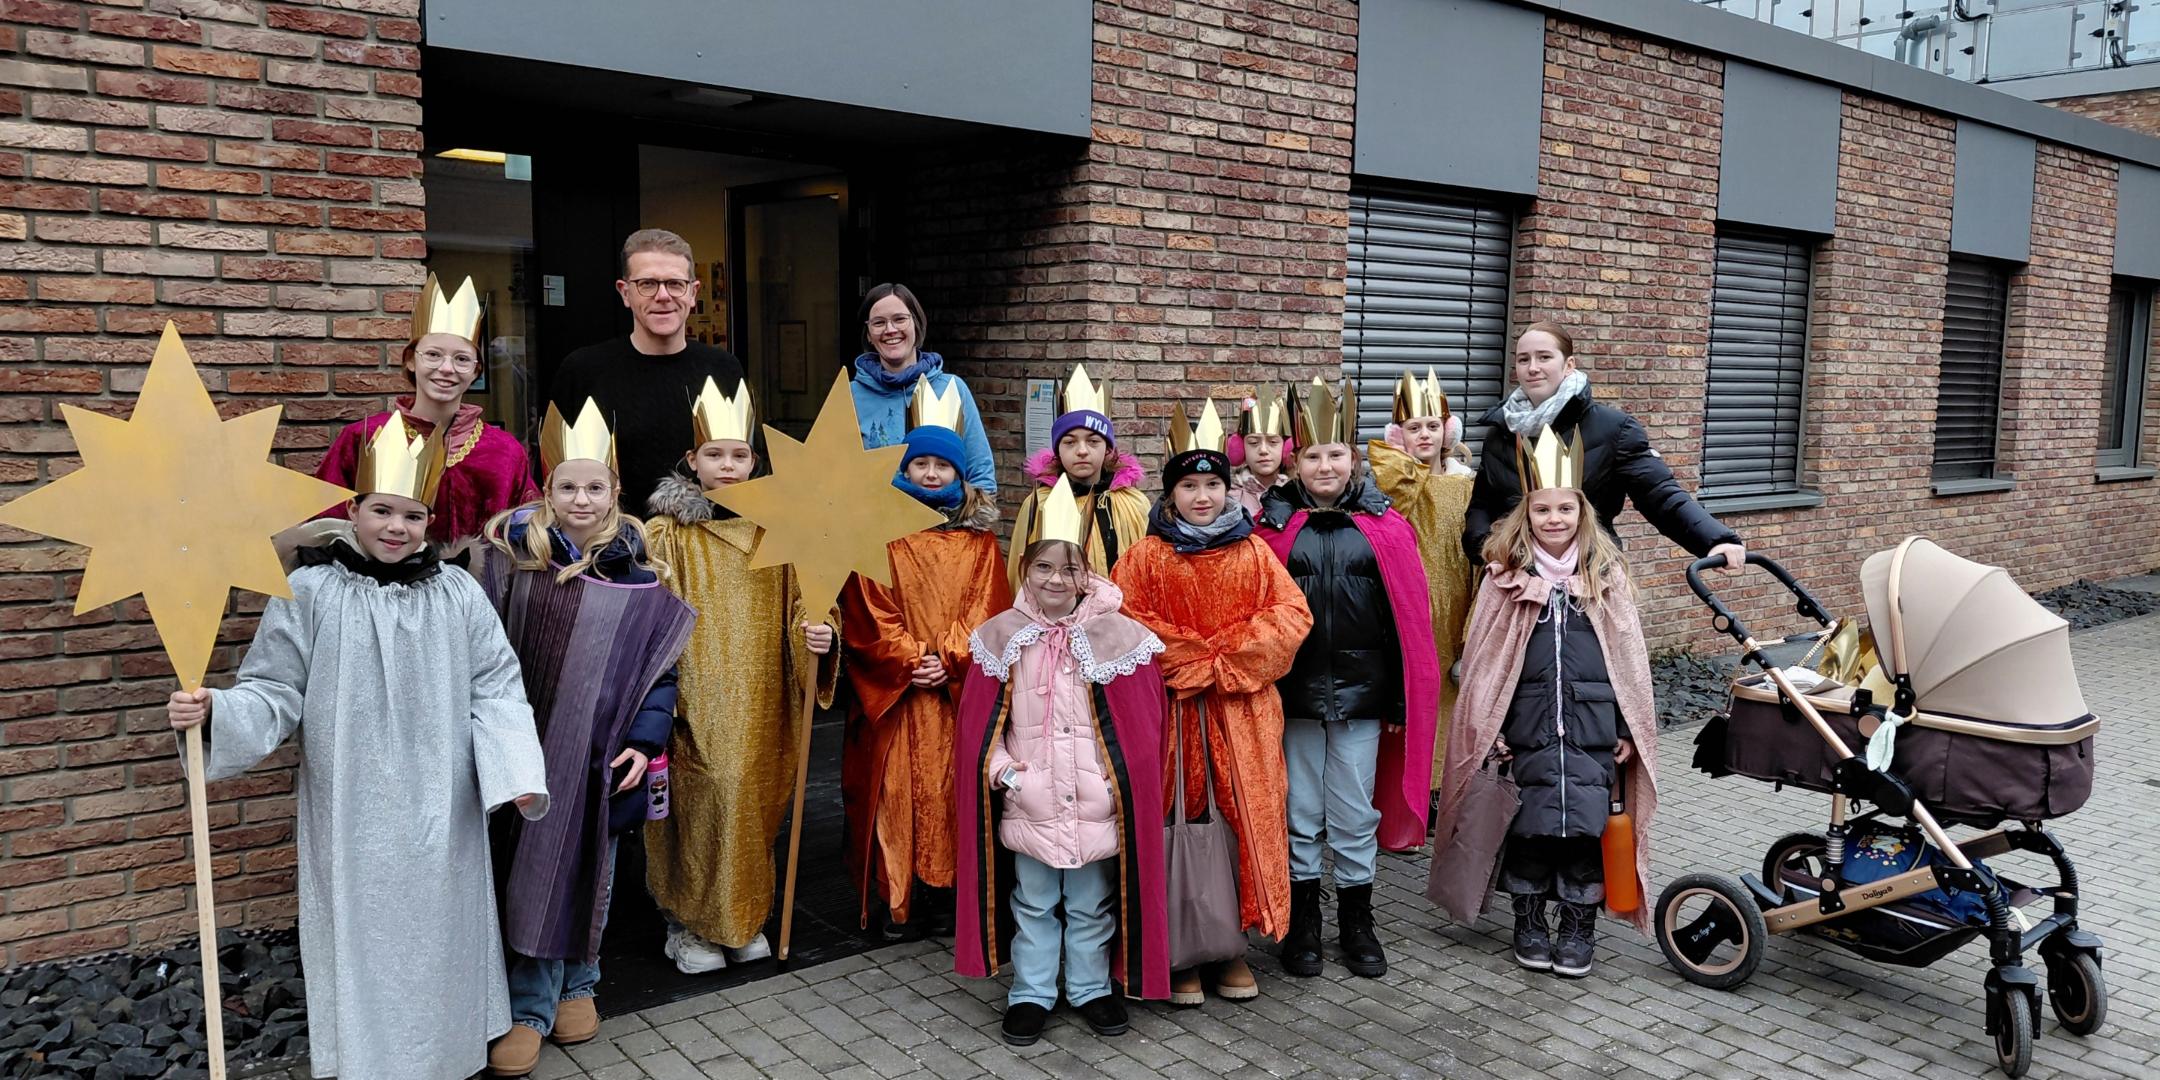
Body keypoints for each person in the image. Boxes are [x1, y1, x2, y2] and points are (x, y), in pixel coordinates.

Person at [167, 417, 549, 1080]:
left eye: (411, 514)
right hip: (351, 803)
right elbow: (275, 687)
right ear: (353, 509)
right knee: (365, 935)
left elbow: (496, 684)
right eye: (381, 511)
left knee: (440, 933)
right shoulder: (311, 592)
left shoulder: (459, 593)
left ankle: (447, 1057)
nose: (396, 527)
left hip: (442, 801)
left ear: (429, 519)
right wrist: (214, 714)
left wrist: (514, 768)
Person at [480, 400, 694, 1077]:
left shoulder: (638, 570)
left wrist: (644, 737)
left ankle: (577, 982)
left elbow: (659, 668)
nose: (580, 499)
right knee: (530, 867)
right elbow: (485, 647)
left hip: (601, 750)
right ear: (548, 489)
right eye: (567, 486)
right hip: (530, 740)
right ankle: (530, 1004)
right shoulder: (514, 558)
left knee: (590, 869)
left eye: (594, 486)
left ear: (615, 491)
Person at [1430, 427, 1660, 979]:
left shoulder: (1607, 580)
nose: (1554, 520)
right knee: (1528, 828)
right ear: (1525, 515)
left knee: (1585, 830)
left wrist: (1628, 727)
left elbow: (1629, 666)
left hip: (1592, 731)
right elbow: (1487, 661)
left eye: (1564, 509)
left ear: (1582, 513)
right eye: (1542, 511)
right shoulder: (1503, 581)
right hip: (1524, 730)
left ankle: (1578, 925)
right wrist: (1491, 727)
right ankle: (1529, 919)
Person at [955, 482, 1171, 1046]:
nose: (1055, 580)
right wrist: (1007, 775)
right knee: (1033, 903)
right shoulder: (1001, 638)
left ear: (1087, 573)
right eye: (1042, 566)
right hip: (1030, 802)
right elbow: (980, 731)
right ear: (1024, 568)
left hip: (1096, 803)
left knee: (1092, 904)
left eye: (1069, 569)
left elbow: (1144, 728)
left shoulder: (1120, 636)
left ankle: (1091, 987)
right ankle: (1031, 993)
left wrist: (1111, 781)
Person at [1112, 398, 1312, 1006]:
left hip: (1241, 712)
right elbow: (1124, 621)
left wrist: (1224, 664)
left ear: (1230, 490)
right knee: (1176, 824)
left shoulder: (1253, 552)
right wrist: (1194, 661)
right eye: (1189, 486)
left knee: (1237, 823)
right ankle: (1179, 952)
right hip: (1170, 713)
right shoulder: (1146, 557)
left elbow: (1289, 616)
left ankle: (1230, 948)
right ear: (1169, 493)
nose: (1202, 497)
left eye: (1212, 485)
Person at [643, 378, 839, 974]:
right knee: (704, 797)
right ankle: (692, 924)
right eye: (715, 455)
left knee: (752, 801)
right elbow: (649, 612)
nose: (727, 466)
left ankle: (745, 916)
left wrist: (821, 632)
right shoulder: (667, 534)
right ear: (691, 460)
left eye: (739, 455)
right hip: (694, 692)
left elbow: (809, 598)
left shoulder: (780, 529)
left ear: (756, 461)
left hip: (763, 690)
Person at [1255, 378, 1439, 980]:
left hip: (1362, 695)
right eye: (1313, 455)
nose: (1326, 465)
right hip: (1295, 694)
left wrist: (1403, 696)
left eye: (1337, 454)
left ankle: (1358, 921)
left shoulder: (1386, 528)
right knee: (1301, 809)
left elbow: (1408, 619)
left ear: (1353, 459)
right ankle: (1304, 919)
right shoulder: (1271, 529)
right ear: (1296, 461)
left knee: (1355, 811)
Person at [839, 403, 1012, 940]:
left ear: (961, 475)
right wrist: (913, 660)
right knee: (896, 795)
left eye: (944, 466)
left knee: (953, 791)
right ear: (904, 470)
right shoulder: (879, 537)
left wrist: (951, 659)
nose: (932, 474)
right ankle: (900, 897)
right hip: (900, 695)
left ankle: (948, 895)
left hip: (954, 693)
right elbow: (869, 606)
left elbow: (988, 607)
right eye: (922, 464)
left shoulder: (980, 542)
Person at [1463, 320, 1745, 571]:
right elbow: (1482, 506)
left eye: (1544, 357)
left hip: (1591, 578)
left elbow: (1661, 495)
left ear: (1568, 364)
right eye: (1523, 359)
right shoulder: (1502, 432)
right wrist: (1488, 551)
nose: (1533, 367)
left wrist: (1714, 539)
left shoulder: (1614, 429)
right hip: (1517, 578)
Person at [313, 273, 538, 555]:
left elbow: (529, 530)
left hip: (480, 593)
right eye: (433, 355)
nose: (446, 368)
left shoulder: (505, 451)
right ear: (410, 360)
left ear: (476, 371)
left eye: (461, 359)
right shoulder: (364, 437)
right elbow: (323, 526)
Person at [550, 229, 747, 516]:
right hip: (612, 551)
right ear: (625, 292)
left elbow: (746, 473)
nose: (663, 296)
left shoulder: (723, 369)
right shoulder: (583, 370)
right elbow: (557, 480)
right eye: (647, 284)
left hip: (705, 549)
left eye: (675, 284)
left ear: (693, 293)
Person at [1366, 369, 1477, 793]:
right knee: (1410, 697)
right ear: (1399, 436)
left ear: (1448, 430)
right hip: (1409, 606)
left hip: (1455, 604)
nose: (1425, 436)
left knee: (1450, 698)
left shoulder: (1466, 484)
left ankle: (1442, 790)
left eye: (1433, 426)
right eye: (1414, 428)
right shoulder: (1389, 486)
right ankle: (1404, 791)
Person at [848, 282, 997, 493]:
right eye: (878, 323)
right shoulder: (849, 397)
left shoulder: (952, 389)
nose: (890, 330)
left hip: (945, 524)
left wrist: (968, 523)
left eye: (899, 319)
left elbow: (980, 473)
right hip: (873, 524)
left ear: (916, 325)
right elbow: (834, 473)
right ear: (869, 335)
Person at [1008, 364, 1147, 589]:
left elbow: (1146, 571)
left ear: (1108, 448)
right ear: (1057, 450)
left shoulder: (1132, 503)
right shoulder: (1039, 504)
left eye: (1093, 441)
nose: (1082, 450)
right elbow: (1019, 573)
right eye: (1070, 442)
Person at [1232, 386, 1294, 518]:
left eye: (1273, 442)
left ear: (1286, 449)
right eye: (1254, 443)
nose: (1263, 450)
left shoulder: (1299, 492)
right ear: (1240, 449)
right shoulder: (1227, 494)